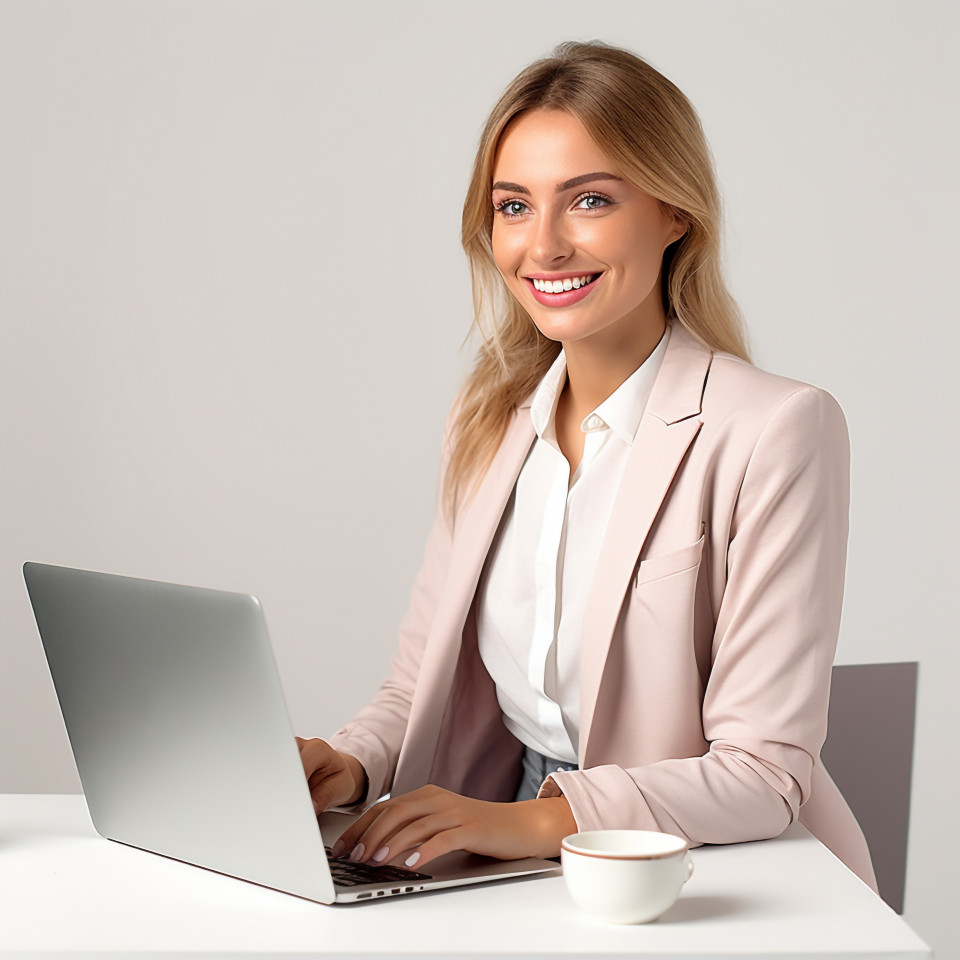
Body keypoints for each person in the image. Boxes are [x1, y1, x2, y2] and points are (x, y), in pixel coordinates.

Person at [296, 40, 878, 891]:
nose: (544, 246)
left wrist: (535, 821)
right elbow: (421, 683)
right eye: (514, 206)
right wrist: (348, 763)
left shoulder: (775, 429)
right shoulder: (488, 420)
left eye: (591, 200)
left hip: (704, 863)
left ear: (675, 213)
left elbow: (763, 772)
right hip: (510, 826)